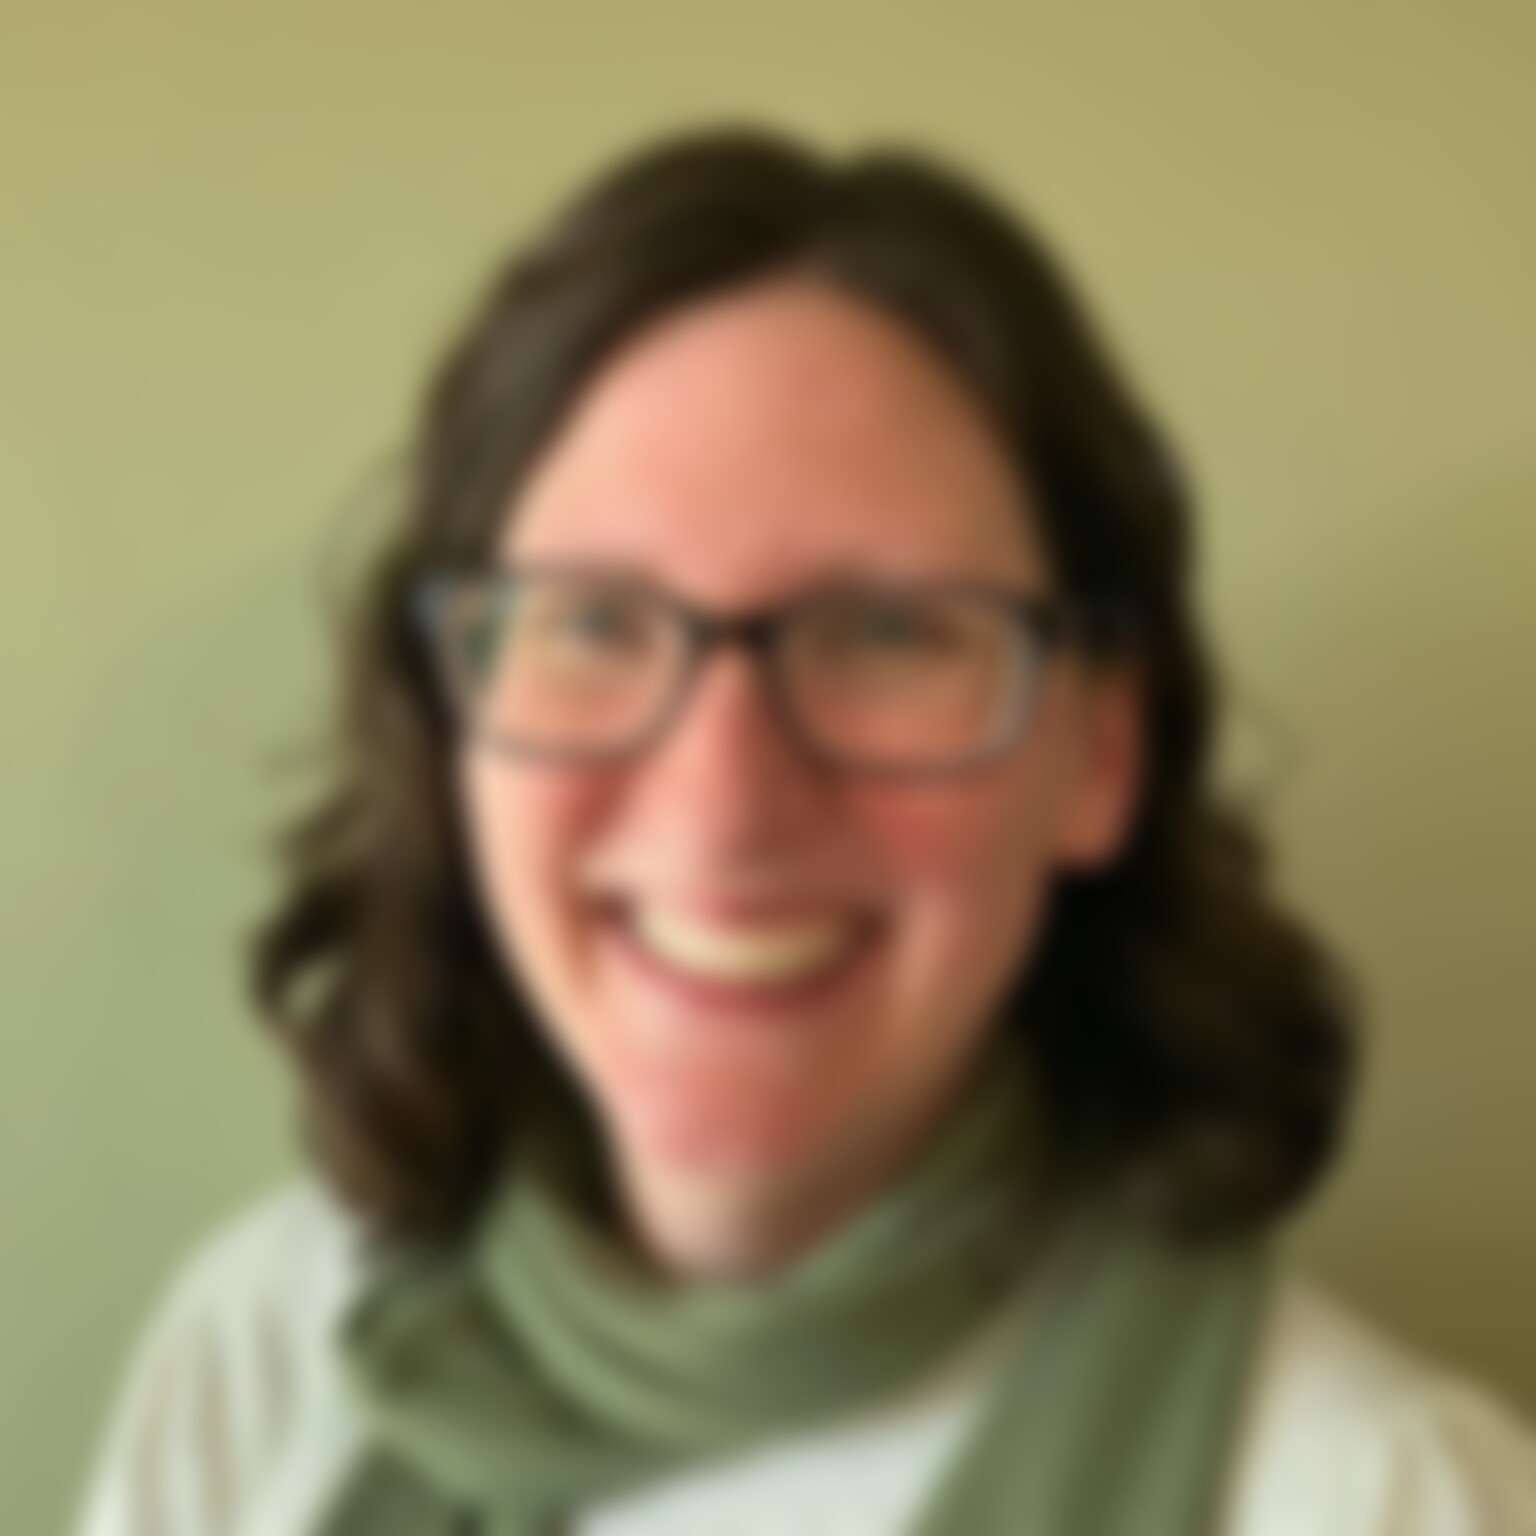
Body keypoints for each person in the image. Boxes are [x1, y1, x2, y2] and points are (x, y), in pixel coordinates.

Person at [75, 125, 1536, 1536]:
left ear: (1099, 751)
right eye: (596, 622)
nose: (723, 804)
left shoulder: (1379, 1500)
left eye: (889, 631)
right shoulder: (265, 1355)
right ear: (458, 711)